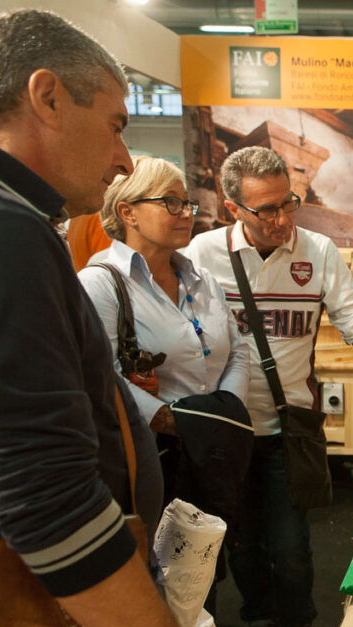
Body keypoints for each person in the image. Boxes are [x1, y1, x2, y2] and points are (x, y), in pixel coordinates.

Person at [0, 8, 205, 627]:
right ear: (48, 96)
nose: (123, 158)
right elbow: (46, 498)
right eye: (117, 124)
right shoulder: (12, 234)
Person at [185, 146, 353, 627]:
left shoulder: (316, 251)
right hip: (226, 436)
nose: (281, 220)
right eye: (265, 210)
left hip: (287, 432)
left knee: (292, 546)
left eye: (288, 204)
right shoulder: (203, 255)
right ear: (233, 209)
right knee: (242, 545)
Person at [79, 155, 249, 468]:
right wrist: (175, 423)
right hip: (149, 457)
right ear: (128, 212)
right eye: (171, 202)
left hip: (215, 453)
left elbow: (238, 352)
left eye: (187, 203)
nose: (186, 213)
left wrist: (226, 413)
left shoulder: (203, 280)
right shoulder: (100, 284)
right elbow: (101, 377)